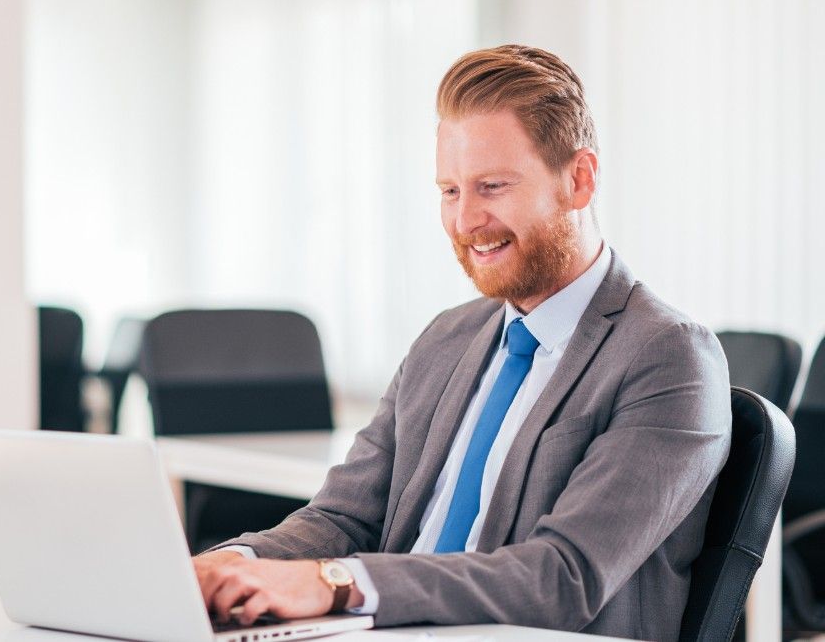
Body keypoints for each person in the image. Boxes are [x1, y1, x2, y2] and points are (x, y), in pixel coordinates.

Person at [192, 45, 731, 641]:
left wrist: (337, 584)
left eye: (492, 186)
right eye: (450, 191)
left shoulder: (668, 356)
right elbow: (344, 517)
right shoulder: (446, 339)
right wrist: (231, 566)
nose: (465, 220)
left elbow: (565, 577)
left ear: (579, 180)